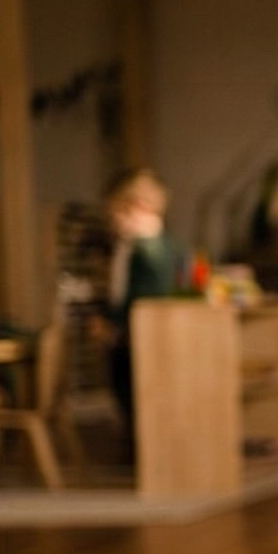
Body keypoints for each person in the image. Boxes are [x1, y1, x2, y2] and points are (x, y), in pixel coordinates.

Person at [97, 168, 191, 443]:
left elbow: (147, 295)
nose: (113, 220)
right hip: (128, 333)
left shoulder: (152, 250)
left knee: (135, 395)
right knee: (126, 395)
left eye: (117, 212)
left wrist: (114, 323)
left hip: (138, 335)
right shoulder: (136, 246)